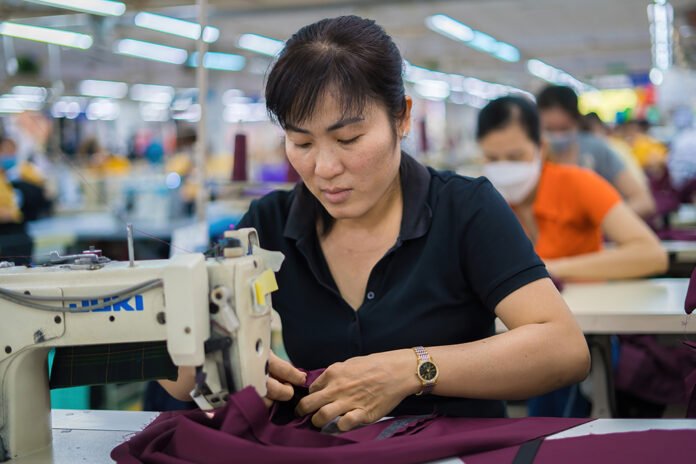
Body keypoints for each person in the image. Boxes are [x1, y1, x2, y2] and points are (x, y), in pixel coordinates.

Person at [159, 16, 590, 428]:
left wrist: (412, 369)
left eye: (348, 139)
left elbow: (564, 349)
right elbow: (180, 375)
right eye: (301, 142)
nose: (325, 168)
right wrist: (231, 369)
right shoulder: (268, 224)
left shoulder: (465, 209)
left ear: (402, 117)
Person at [477, 96, 667, 282]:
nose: (503, 167)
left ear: (541, 148)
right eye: (492, 158)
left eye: (515, 157)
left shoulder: (579, 183)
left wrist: (547, 270)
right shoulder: (484, 202)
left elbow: (653, 256)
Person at [536, 85, 656, 218]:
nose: (557, 136)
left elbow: (643, 201)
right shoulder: (533, 156)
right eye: (549, 129)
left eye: (564, 128)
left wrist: (605, 221)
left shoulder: (595, 150)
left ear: (576, 123)